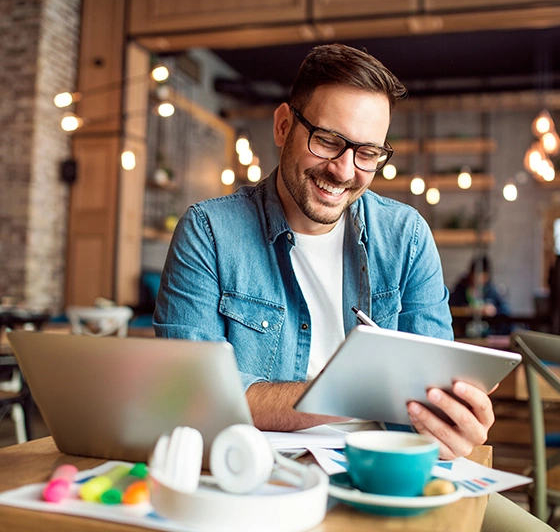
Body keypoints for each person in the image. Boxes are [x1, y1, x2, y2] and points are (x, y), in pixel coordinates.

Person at [155, 44, 552, 531]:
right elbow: (191, 402)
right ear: (284, 126)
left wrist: (450, 423)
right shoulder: (210, 232)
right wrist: (362, 396)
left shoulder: (406, 237)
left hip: (393, 476)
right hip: (256, 484)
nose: (343, 170)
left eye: (367, 153)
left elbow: (432, 393)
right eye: (327, 140)